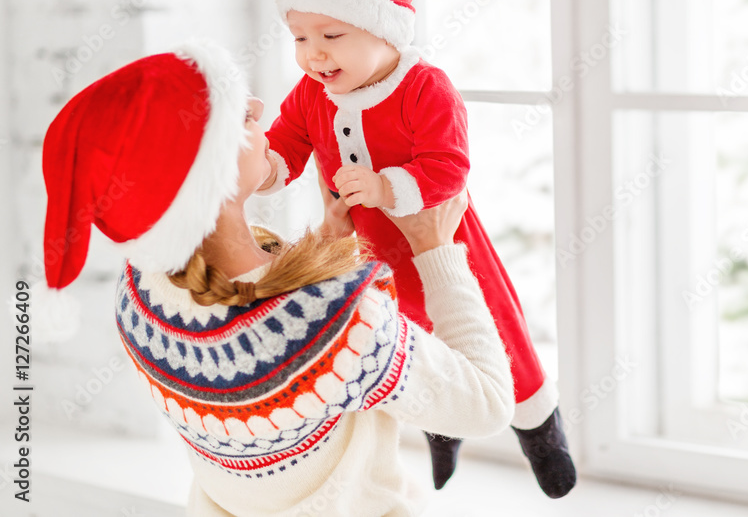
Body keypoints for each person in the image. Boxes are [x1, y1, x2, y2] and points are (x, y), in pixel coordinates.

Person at [40, 39, 514, 516]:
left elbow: (266, 357)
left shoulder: (139, 295)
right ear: (208, 169)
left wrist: (329, 244)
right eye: (238, 115)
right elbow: (489, 403)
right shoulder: (339, 325)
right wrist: (437, 252)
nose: (258, 107)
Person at [257, 0, 576, 498]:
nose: (312, 54)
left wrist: (383, 189)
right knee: (412, 347)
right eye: (300, 37)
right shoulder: (310, 93)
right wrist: (259, 168)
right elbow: (285, 146)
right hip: (368, 255)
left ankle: (541, 432)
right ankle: (440, 432)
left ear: (385, 30)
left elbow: (449, 167)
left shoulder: (425, 88)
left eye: (331, 36)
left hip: (443, 238)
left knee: (495, 333)